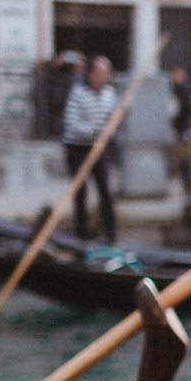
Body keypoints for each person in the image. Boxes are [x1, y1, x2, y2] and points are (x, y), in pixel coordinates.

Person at [60, 54, 121, 244]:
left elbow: (112, 120)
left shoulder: (110, 94)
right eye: (102, 72)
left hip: (98, 146)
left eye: (108, 72)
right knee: (81, 191)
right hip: (77, 147)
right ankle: (82, 235)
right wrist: (95, 131)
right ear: (92, 74)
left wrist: (111, 127)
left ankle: (111, 235)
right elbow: (71, 124)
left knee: (105, 190)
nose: (106, 76)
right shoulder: (78, 93)